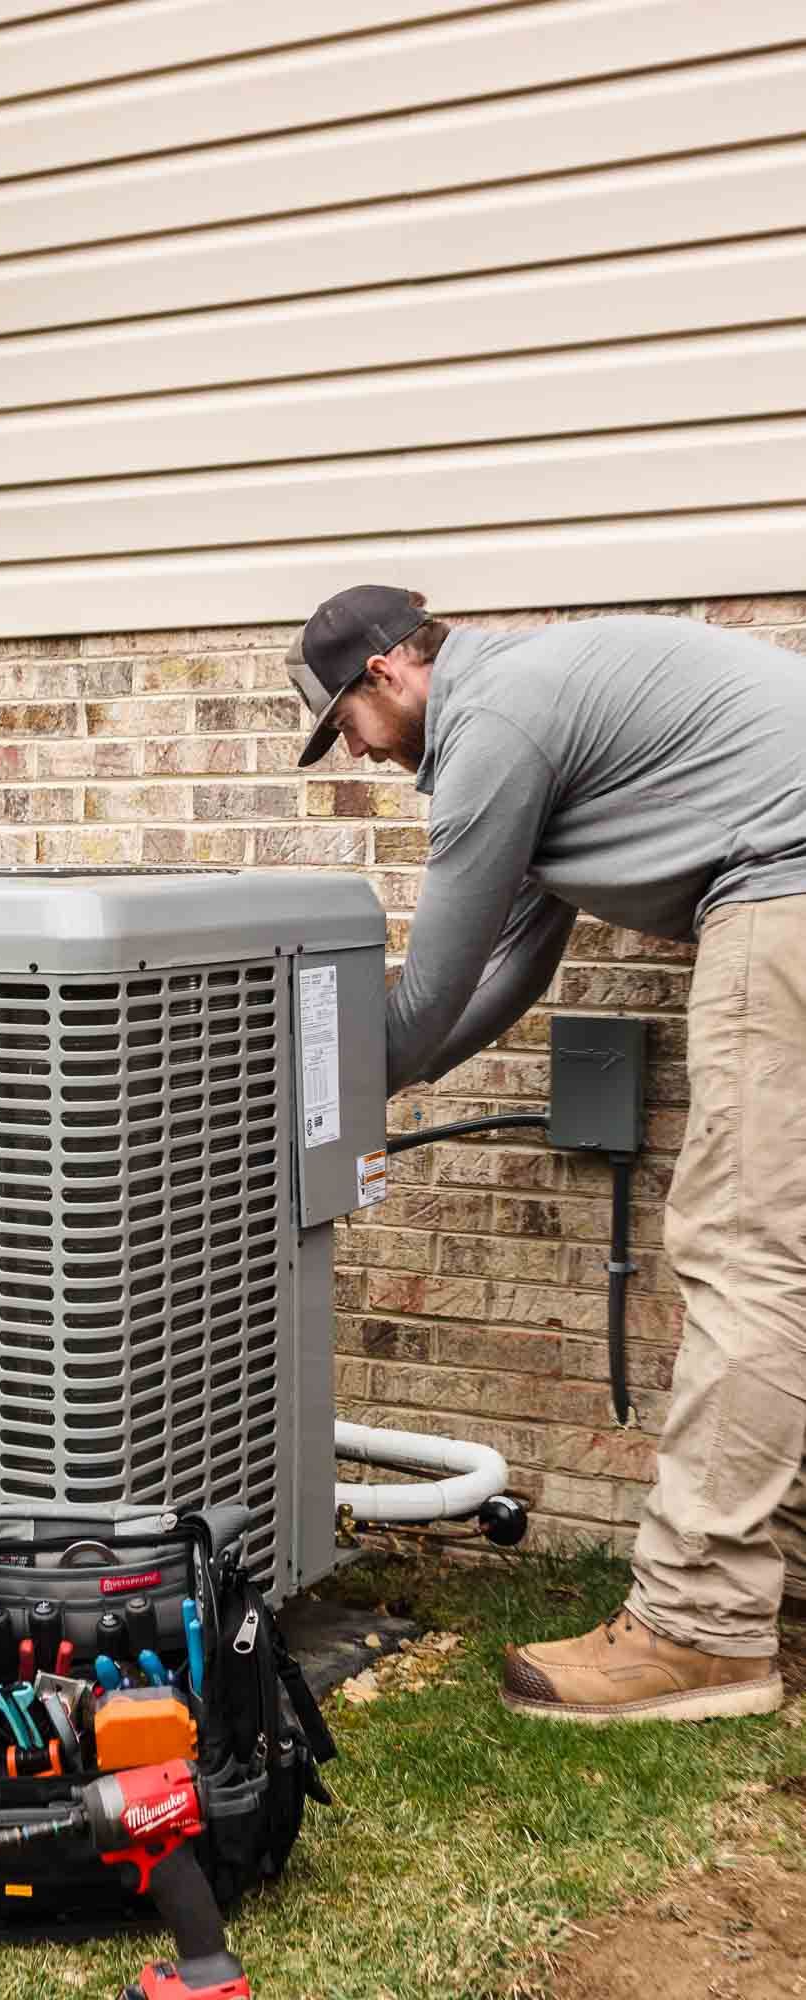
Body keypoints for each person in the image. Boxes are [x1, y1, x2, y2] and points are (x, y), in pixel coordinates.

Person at [287, 583, 806, 1723]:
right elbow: (511, 967)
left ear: (386, 671)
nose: (360, 755)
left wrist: (312, 1094)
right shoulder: (535, 702)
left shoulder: (493, 729)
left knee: (744, 1249)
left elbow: (426, 996)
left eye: (347, 725)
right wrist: (369, 1091)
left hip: (786, 888)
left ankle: (699, 1627)